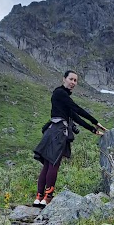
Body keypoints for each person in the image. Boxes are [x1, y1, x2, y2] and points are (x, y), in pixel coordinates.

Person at [33, 70, 106, 206]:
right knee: (53, 164)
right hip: (59, 132)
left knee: (48, 165)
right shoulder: (60, 93)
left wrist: (93, 130)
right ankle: (47, 198)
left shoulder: (61, 96)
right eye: (71, 79)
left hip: (52, 130)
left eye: (75, 81)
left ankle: (39, 198)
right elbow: (77, 109)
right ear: (64, 79)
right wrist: (95, 121)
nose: (73, 83)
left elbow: (75, 116)